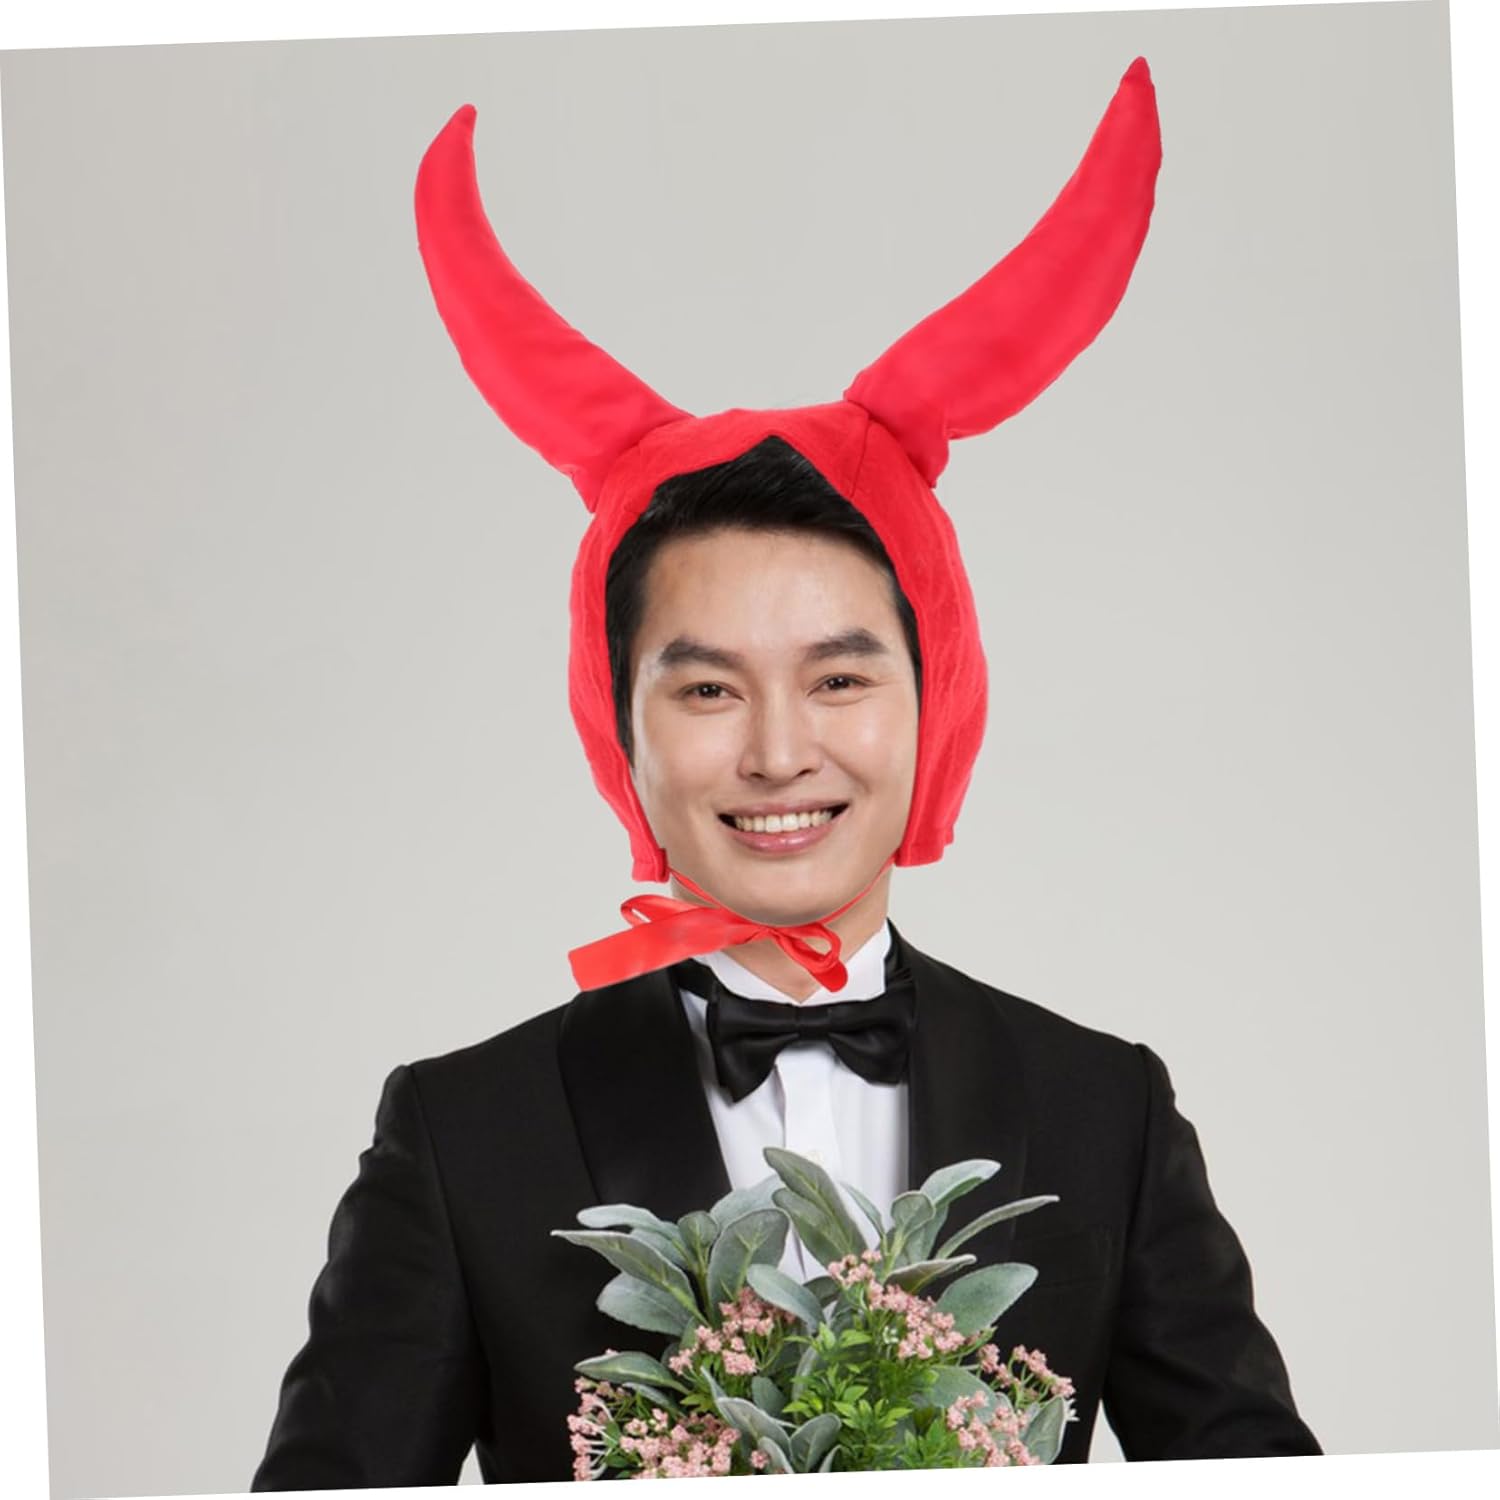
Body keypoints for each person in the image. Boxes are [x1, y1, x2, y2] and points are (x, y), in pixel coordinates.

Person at [251, 59, 1321, 1488]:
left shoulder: (1103, 1107)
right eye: (706, 688)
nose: (774, 752)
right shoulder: (462, 1132)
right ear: (617, 728)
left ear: (936, 706)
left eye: (839, 679)